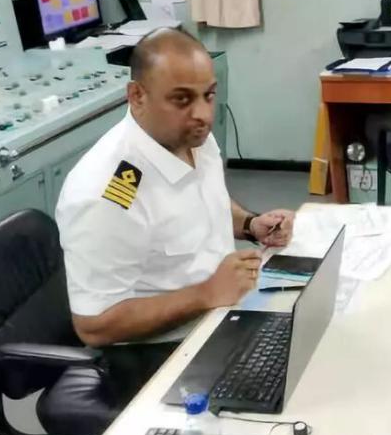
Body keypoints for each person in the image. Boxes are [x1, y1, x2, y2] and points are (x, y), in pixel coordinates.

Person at [55, 28, 295, 403]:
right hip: (154, 353)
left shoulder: (190, 137)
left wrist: (250, 225)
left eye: (208, 95)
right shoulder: (109, 194)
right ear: (137, 96)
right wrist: (206, 294)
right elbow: (94, 325)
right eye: (181, 99)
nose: (203, 114)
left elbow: (204, 201)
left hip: (218, 314)